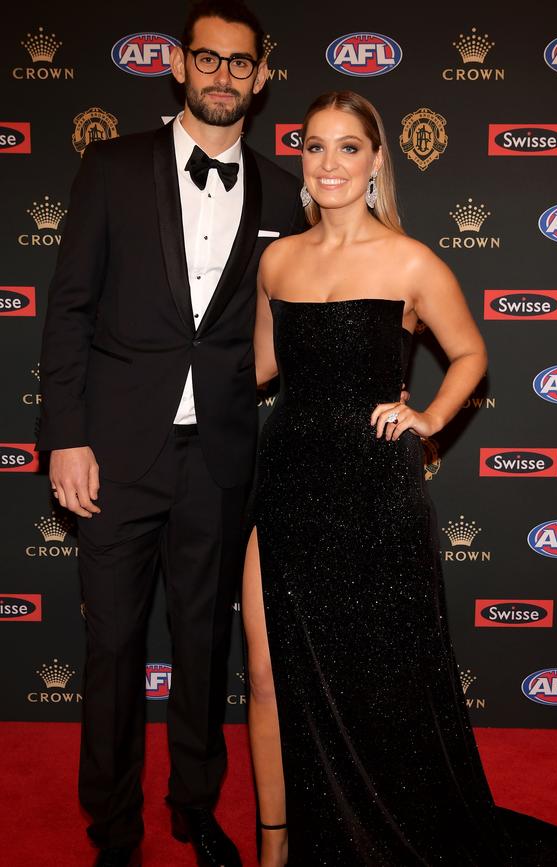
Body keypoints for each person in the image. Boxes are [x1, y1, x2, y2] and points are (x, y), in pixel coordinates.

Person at [242, 90, 557, 867]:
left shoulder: (411, 260)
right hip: (286, 481)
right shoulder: (276, 259)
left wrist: (430, 418)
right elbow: (260, 368)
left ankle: (381, 830)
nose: (329, 164)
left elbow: (473, 353)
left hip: (373, 493)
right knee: (264, 670)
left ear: (377, 160)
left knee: (382, 683)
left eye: (348, 147)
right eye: (314, 147)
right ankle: (277, 850)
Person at [38, 2, 304, 864]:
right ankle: (111, 827)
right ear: (177, 65)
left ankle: (195, 806)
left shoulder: (276, 191)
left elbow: (284, 330)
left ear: (261, 77)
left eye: (240, 63)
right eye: (207, 58)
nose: (223, 75)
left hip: (220, 458)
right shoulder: (113, 166)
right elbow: (68, 309)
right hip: (113, 454)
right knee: (112, 645)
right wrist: (65, 436)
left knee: (203, 643)